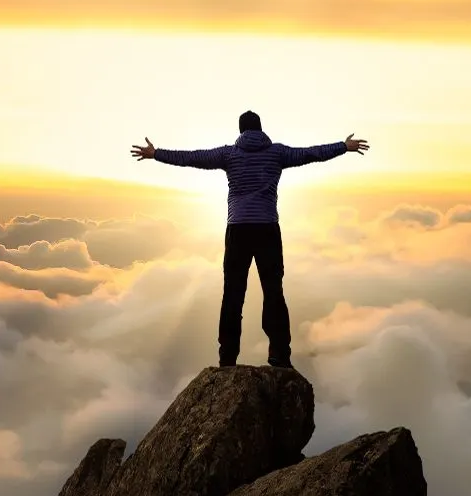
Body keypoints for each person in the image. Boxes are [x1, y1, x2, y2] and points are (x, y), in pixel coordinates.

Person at [131, 110, 369, 368]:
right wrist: (343, 147)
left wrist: (156, 154)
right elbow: (311, 153)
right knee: (273, 292)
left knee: (233, 295)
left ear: (241, 131)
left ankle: (227, 358)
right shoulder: (277, 153)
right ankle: (279, 354)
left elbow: (193, 158)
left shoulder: (229, 154)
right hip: (267, 228)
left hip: (238, 230)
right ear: (260, 129)